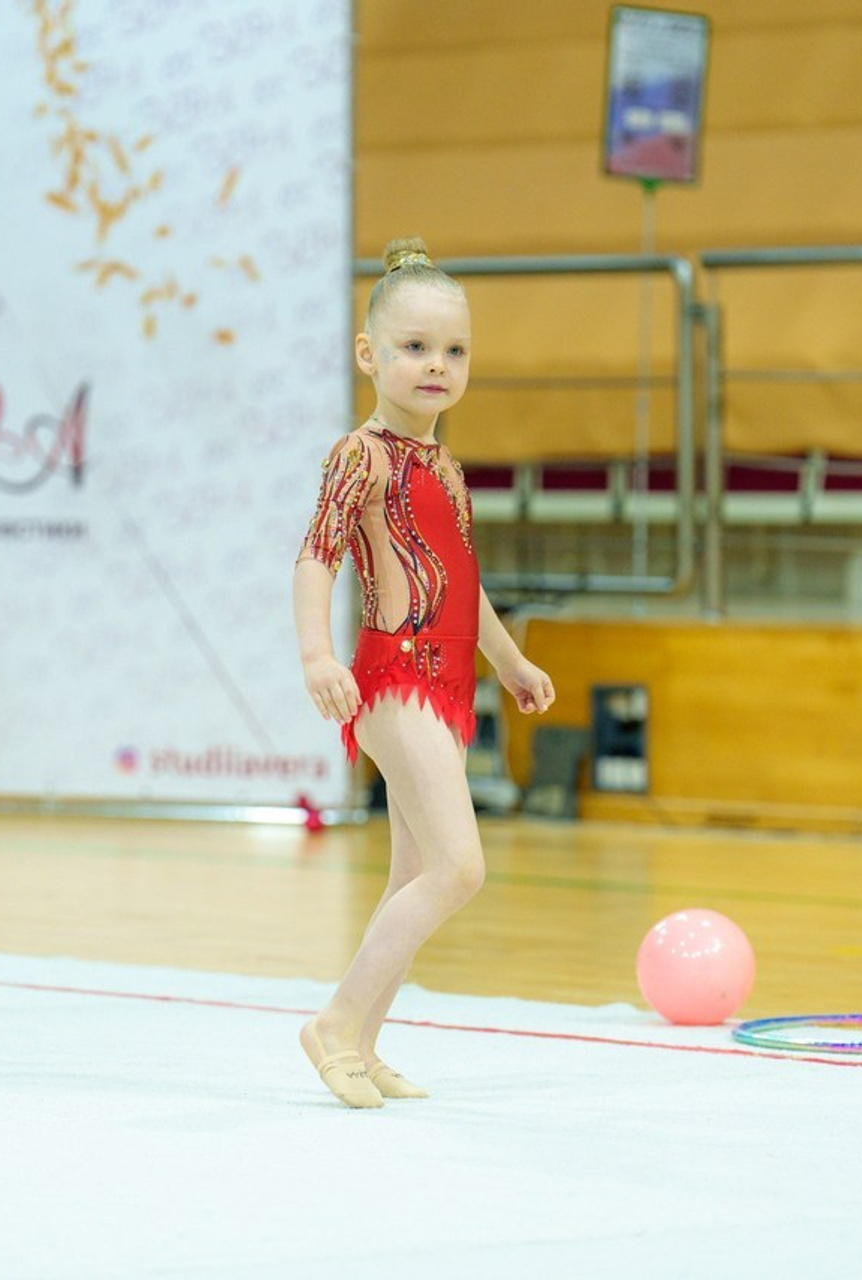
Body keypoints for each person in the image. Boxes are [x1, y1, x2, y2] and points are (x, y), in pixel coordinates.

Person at [293, 237, 555, 1107]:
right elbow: (315, 558)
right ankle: (334, 1023)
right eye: (414, 348)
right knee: (459, 867)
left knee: (415, 876)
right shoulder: (359, 455)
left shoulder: (444, 466)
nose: (436, 366)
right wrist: (317, 654)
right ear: (369, 355)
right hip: (392, 675)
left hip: (445, 683)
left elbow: (463, 581)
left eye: (454, 351)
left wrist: (510, 661)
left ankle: (362, 1044)